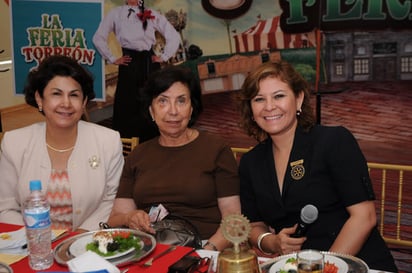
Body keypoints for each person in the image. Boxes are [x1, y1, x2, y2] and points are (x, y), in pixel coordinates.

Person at [236, 60, 397, 271]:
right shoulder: (250, 162)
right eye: (259, 99)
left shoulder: (333, 141)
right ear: (251, 108)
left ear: (299, 98)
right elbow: (253, 225)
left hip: (358, 263)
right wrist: (271, 241)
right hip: (297, 266)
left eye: (279, 96)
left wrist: (323, 267)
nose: (269, 106)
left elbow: (364, 217)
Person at [107, 65, 241, 251]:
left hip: (205, 246)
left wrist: (205, 252)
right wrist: (129, 218)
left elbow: (233, 219)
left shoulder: (216, 148)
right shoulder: (138, 155)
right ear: (151, 111)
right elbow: (116, 218)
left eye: (181, 101)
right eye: (163, 101)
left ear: (192, 107)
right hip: (150, 249)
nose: (173, 111)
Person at [0, 55, 124, 232]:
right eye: (56, 94)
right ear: (39, 99)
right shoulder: (14, 143)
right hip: (31, 246)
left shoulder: (108, 141)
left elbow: (112, 200)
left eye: (74, 95)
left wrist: (81, 235)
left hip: (88, 243)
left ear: (84, 103)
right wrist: (38, 238)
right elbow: (6, 207)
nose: (66, 103)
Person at [93, 0, 181, 142]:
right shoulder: (116, 13)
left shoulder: (150, 14)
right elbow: (98, 38)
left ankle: (155, 141)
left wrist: (164, 56)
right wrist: (112, 58)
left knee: (153, 101)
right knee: (127, 102)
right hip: (129, 62)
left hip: (149, 62)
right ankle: (126, 142)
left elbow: (173, 35)